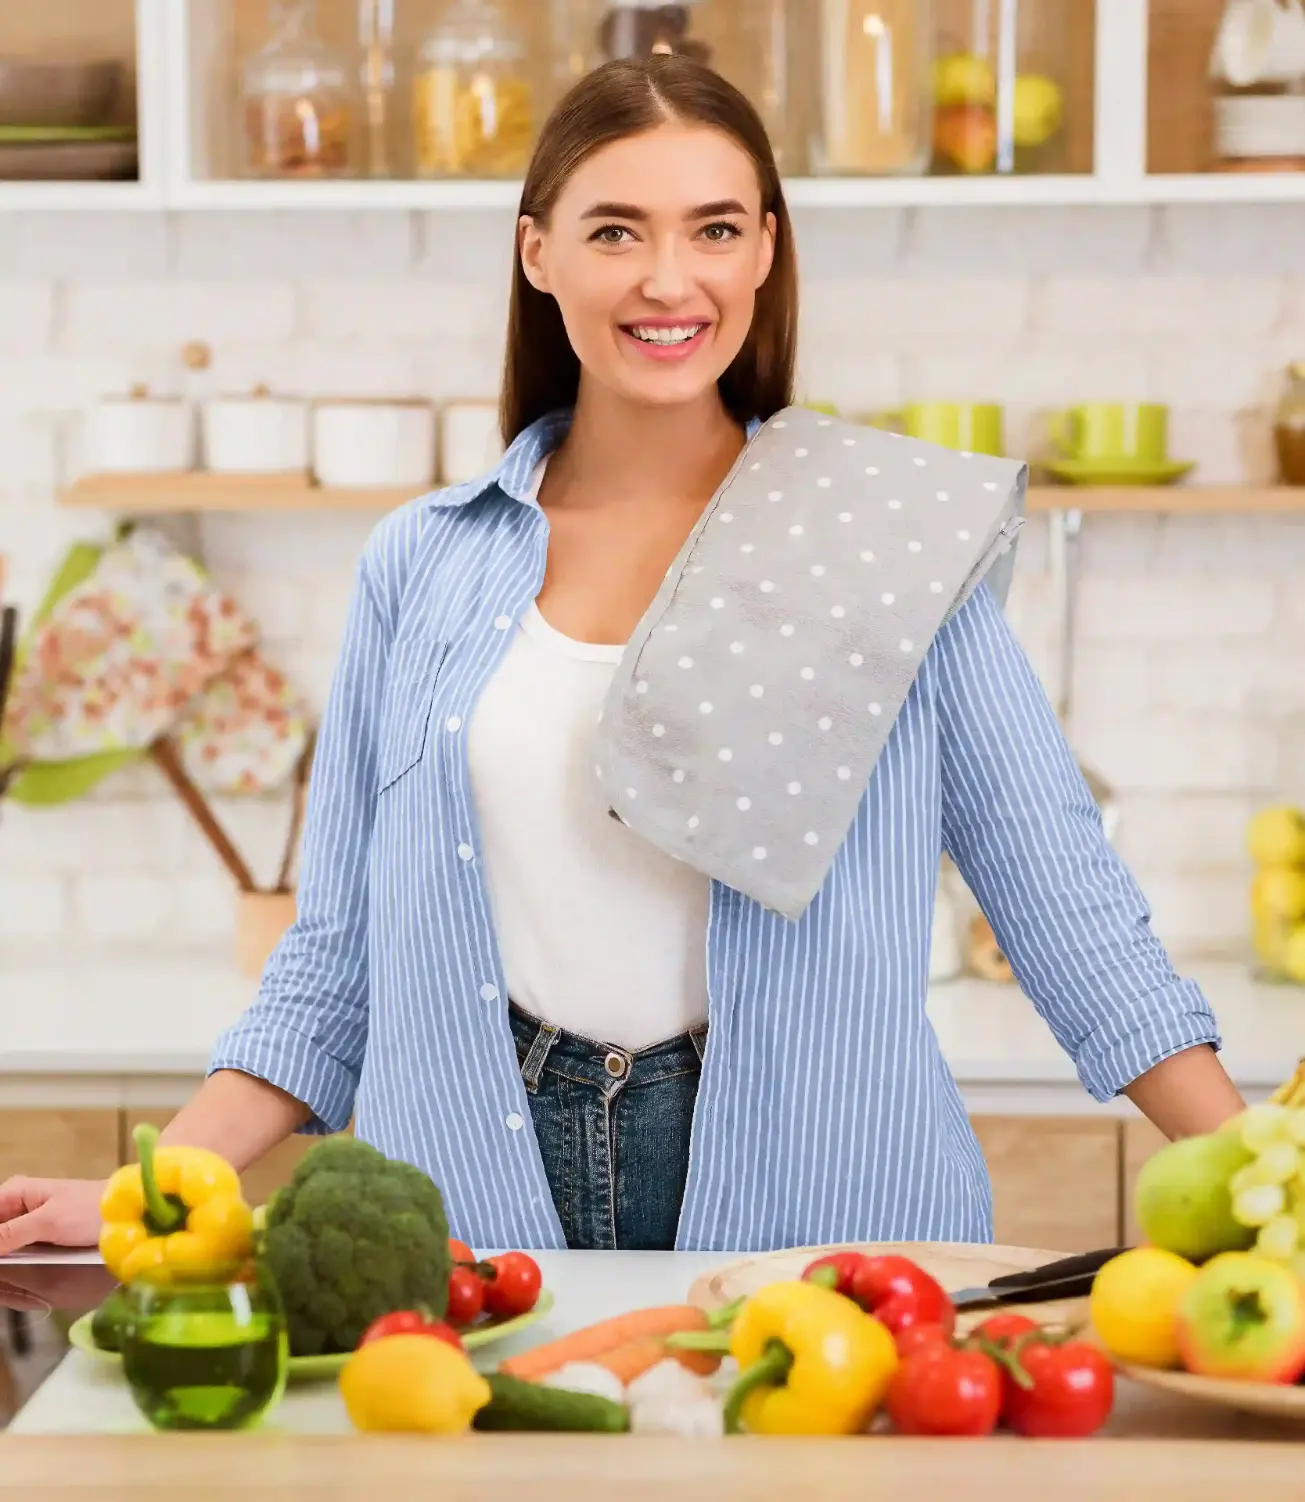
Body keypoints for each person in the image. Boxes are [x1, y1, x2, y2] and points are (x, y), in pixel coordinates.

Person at [0, 56, 1244, 1261]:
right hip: (483, 1213)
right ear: (537, 251)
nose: (669, 279)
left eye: (715, 229)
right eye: (614, 231)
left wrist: (1261, 1186)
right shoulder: (422, 563)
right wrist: (148, 1191)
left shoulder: (888, 537)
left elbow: (1063, 900)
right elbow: (336, 956)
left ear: (766, 247)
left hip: (829, 1214)